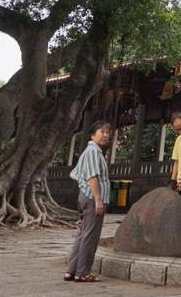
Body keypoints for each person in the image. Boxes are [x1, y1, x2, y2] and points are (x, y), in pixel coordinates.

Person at [64, 120, 112, 283]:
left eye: (107, 132)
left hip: (86, 196)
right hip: (92, 198)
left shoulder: (91, 152)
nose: (106, 135)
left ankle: (72, 271)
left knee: (83, 234)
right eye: (102, 132)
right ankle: (82, 273)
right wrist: (98, 200)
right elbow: (92, 177)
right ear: (93, 134)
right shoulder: (92, 152)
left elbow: (74, 173)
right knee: (90, 236)